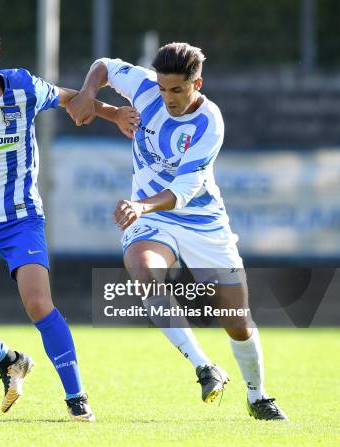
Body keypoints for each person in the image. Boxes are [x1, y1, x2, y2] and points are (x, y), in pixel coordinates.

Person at [0, 18, 136, 422]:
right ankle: (9, 361)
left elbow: (74, 98)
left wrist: (113, 115)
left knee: (38, 303)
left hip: (21, 219)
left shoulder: (22, 88)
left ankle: (76, 398)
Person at [67, 42, 287, 421]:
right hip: (155, 220)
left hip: (201, 221)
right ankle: (205, 368)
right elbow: (102, 65)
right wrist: (93, 97)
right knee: (144, 269)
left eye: (178, 90)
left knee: (237, 322)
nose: (167, 98)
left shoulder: (209, 123)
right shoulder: (146, 86)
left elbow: (184, 190)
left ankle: (257, 396)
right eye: (163, 88)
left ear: (197, 83)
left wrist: (139, 205)